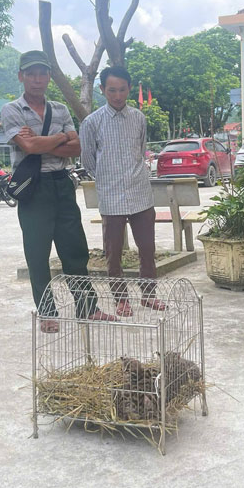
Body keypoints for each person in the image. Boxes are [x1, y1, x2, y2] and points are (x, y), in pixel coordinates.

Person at [0, 50, 113, 333]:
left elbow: (77, 149)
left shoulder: (60, 109)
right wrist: (62, 137)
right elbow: (29, 148)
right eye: (31, 74)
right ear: (21, 76)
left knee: (75, 249)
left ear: (49, 76)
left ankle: (87, 307)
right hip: (33, 188)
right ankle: (47, 311)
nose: (37, 79)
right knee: (37, 253)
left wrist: (43, 140)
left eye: (42, 73)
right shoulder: (11, 110)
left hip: (62, 183)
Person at [79, 66, 166, 316]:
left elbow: (140, 149)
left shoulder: (138, 117)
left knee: (147, 248)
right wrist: (108, 179)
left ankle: (148, 294)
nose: (117, 95)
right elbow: (88, 160)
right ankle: (121, 299)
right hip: (111, 196)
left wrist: (130, 174)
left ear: (129, 88)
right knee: (113, 252)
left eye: (122, 90)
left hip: (140, 192)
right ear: (102, 90)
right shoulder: (92, 122)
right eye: (112, 90)